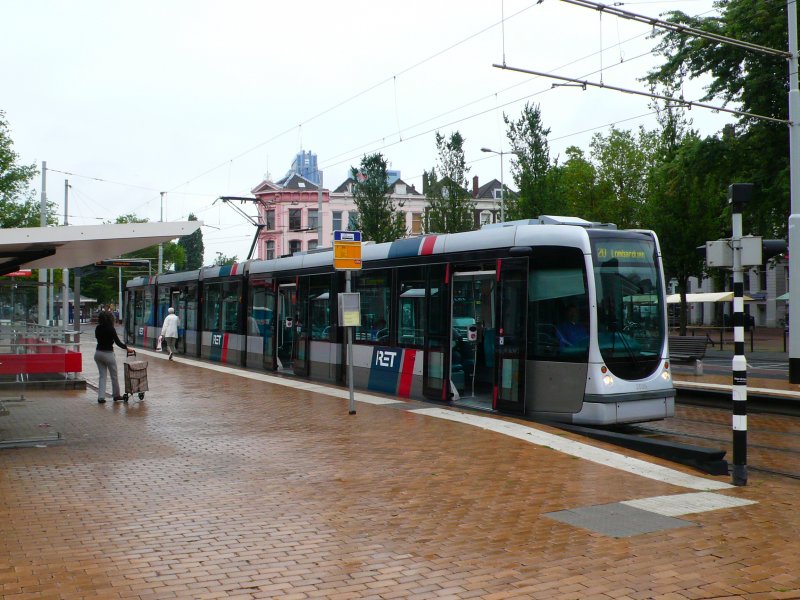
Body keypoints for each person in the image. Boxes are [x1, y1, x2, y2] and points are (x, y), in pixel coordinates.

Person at [94, 310, 134, 403]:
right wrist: (127, 348)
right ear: (110, 318)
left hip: (98, 353)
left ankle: (101, 397)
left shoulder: (97, 328)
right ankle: (116, 395)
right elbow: (118, 342)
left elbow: (98, 339)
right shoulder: (111, 329)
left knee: (102, 376)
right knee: (114, 376)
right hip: (108, 354)